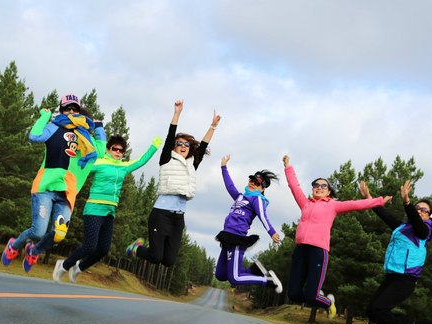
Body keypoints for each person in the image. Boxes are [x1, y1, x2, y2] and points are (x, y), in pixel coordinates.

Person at [1, 94, 105, 272]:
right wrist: (44, 117)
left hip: (67, 193)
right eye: (67, 108)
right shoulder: (54, 127)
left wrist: (99, 127)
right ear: (61, 110)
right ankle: (14, 245)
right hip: (46, 188)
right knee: (38, 231)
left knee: (59, 235)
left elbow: (101, 152)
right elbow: (34, 136)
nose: (71, 111)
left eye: (74, 109)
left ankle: (34, 251)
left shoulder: (86, 140)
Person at [283, 154, 386, 317]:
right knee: (293, 294)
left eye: (323, 186)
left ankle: (328, 302)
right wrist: (288, 167)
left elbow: (355, 204)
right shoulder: (305, 203)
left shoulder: (333, 206)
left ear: (329, 191)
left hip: (318, 252)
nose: (319, 187)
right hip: (300, 250)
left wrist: (378, 201)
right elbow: (294, 187)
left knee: (310, 296)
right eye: (316, 185)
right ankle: (318, 297)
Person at [53, 134, 162, 283]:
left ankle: (79, 268)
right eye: (115, 149)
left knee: (103, 249)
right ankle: (63, 266)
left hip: (110, 212)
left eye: (121, 150)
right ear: (108, 149)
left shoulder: (123, 167)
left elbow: (141, 161)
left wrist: (155, 145)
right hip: (94, 209)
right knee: (89, 247)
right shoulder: (98, 162)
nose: (118, 152)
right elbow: (79, 167)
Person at [125, 100, 221, 267]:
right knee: (155, 257)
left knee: (168, 261)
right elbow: (170, 136)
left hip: (178, 217)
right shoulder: (166, 159)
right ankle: (136, 249)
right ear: (174, 147)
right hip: (161, 214)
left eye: (186, 144)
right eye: (179, 144)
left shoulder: (192, 164)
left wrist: (213, 126)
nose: (183, 146)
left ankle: (148, 251)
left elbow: (204, 145)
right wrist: (177, 113)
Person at [359, 179, 432, 324]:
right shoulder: (403, 227)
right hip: (392, 276)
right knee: (372, 311)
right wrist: (369, 198)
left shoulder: (424, 230)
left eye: (424, 210)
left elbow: (417, 223)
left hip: (406, 279)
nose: (420, 211)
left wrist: (407, 202)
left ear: (429, 216)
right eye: (418, 208)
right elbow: (384, 214)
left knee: (378, 309)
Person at [214, 155, 283, 292]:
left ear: (262, 189)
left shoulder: (257, 199)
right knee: (221, 274)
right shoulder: (241, 196)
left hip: (237, 238)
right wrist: (223, 167)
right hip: (227, 237)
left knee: (235, 278)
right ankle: (254, 270)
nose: (252, 183)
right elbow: (229, 186)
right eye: (251, 180)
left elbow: (263, 216)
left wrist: (272, 232)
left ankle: (268, 281)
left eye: (257, 183)